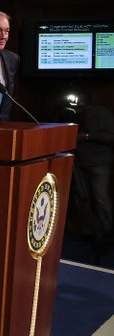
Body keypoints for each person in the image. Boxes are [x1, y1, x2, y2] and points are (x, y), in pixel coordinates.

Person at [71, 89, 114, 262]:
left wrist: (87, 136)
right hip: (79, 162)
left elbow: (111, 136)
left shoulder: (102, 113)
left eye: (78, 100)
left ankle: (107, 234)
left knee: (100, 199)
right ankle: (91, 232)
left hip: (99, 163)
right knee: (81, 198)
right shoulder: (71, 114)